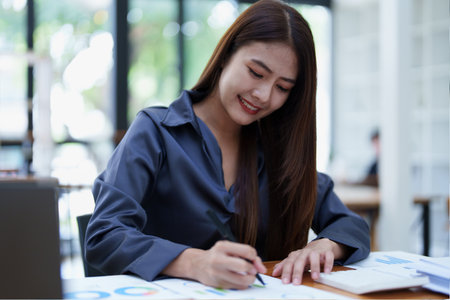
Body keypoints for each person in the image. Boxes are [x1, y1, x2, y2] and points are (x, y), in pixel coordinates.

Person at [85, 0, 370, 290]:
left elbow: (350, 225)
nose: (263, 94)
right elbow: (105, 235)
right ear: (225, 56)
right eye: (256, 73)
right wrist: (194, 263)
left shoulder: (278, 152)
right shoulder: (157, 131)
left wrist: (323, 247)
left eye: (282, 87)